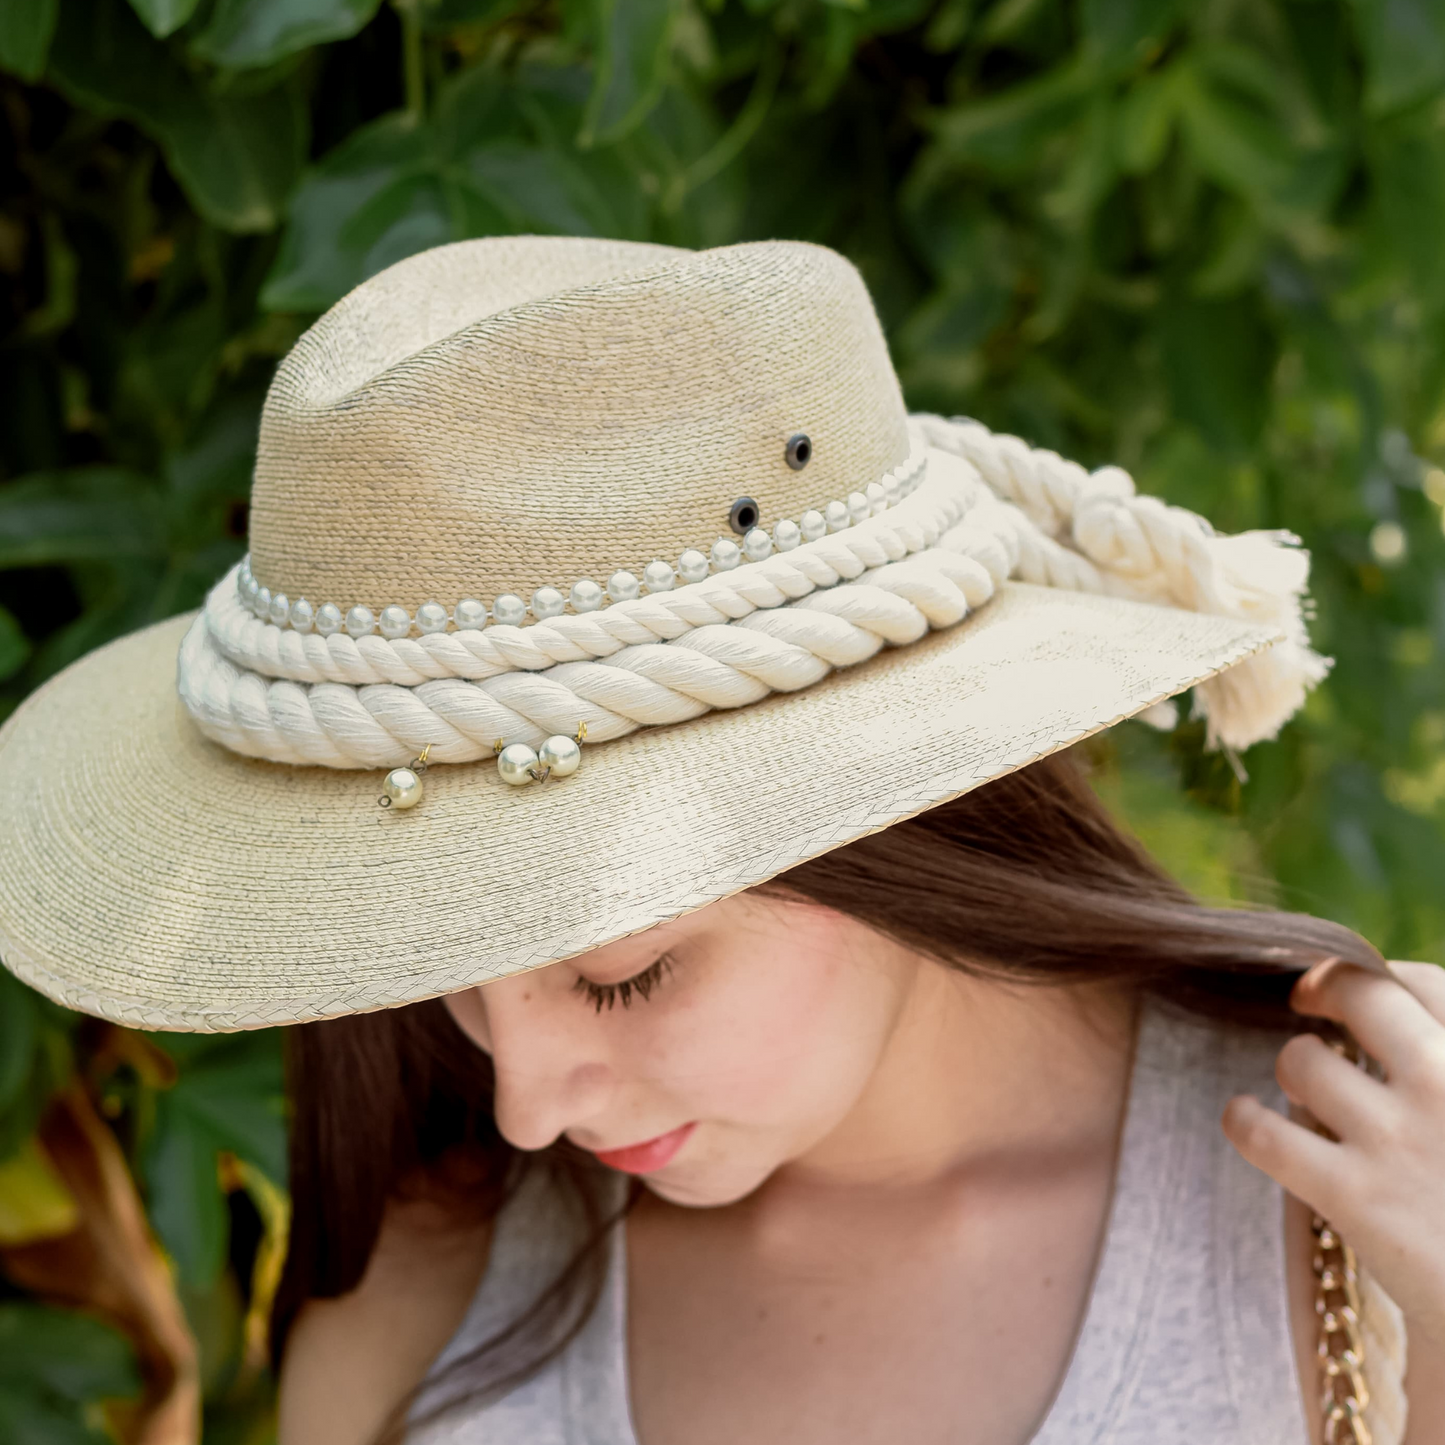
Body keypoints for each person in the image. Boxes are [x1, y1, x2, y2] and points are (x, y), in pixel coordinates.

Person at [0, 237, 1439, 1445]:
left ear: (891, 816)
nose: (525, 1104)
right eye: (452, 973)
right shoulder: (432, 1276)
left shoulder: (1369, 1206)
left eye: (620, 976)